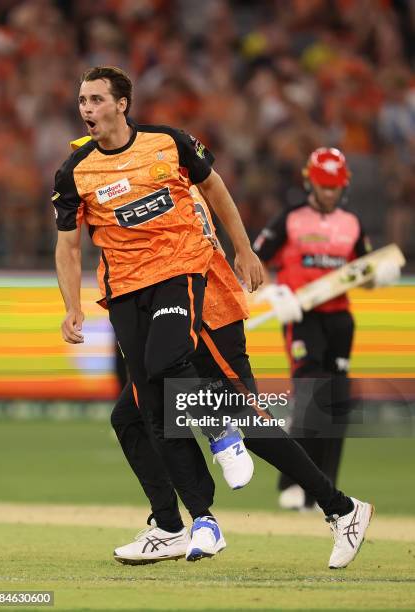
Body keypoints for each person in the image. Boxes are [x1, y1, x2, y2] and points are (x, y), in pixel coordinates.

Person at [66, 135, 374, 570]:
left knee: (245, 420)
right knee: (133, 414)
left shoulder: (161, 182)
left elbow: (169, 245)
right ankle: (172, 525)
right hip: (179, 311)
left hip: (207, 311)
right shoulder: (169, 175)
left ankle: (340, 508)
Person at [53, 65, 263, 562]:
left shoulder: (168, 143)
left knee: (175, 369)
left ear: (122, 103)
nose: (87, 109)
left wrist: (245, 249)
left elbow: (215, 189)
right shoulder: (74, 172)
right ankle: (178, 524)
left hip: (184, 276)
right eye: (82, 101)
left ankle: (223, 431)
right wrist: (71, 306)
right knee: (132, 416)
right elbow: (67, 248)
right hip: (127, 293)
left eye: (97, 99)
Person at [253, 147, 401, 511]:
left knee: (336, 404)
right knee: (309, 398)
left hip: (339, 320)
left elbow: (361, 271)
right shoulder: (290, 218)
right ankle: (292, 482)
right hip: (301, 317)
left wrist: (378, 277)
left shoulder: (351, 223)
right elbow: (255, 257)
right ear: (310, 182)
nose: (329, 193)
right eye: (323, 185)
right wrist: (275, 291)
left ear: (343, 186)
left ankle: (325, 489)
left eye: (335, 186)